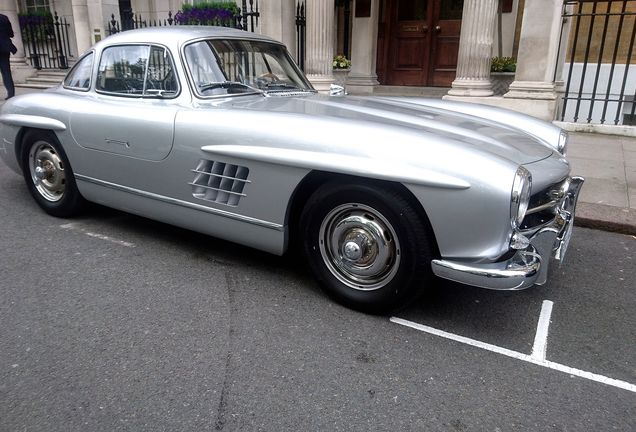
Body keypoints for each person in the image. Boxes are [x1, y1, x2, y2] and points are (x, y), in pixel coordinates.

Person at [0, 13, 17, 100]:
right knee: (6, 72)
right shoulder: (4, 18)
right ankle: (11, 93)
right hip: (4, 48)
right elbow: (11, 34)